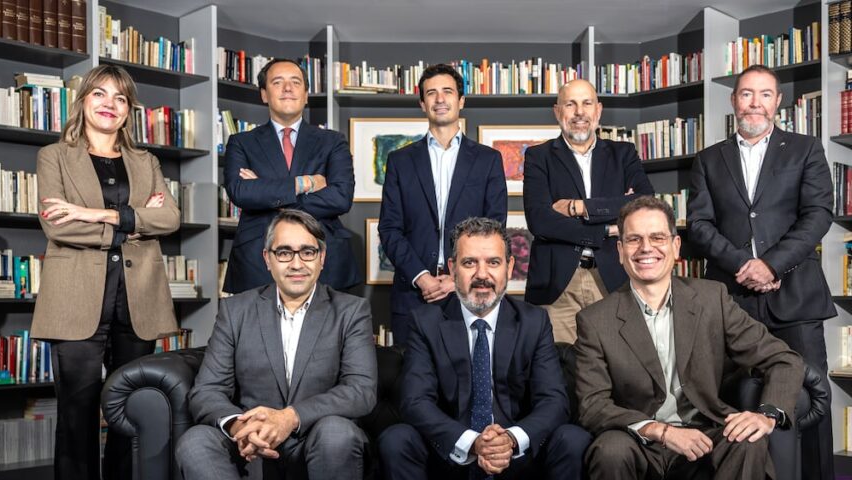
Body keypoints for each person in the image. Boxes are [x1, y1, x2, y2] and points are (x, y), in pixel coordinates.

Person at [575, 196, 803, 480]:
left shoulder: (712, 299)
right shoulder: (596, 320)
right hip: (639, 444)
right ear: (619, 251)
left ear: (676, 246)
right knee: (609, 450)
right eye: (633, 239)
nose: (646, 248)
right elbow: (592, 404)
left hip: (703, 441)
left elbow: (784, 359)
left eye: (657, 237)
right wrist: (660, 431)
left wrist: (768, 415)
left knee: (747, 442)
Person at [175, 209, 376, 480]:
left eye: (307, 251)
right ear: (267, 259)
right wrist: (240, 426)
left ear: (322, 258)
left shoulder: (350, 311)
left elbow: (361, 391)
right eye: (285, 252)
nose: (296, 262)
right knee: (195, 443)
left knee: (340, 432)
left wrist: (290, 417)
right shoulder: (237, 310)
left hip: (319, 453)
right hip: (254, 456)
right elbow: (207, 391)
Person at [379, 217, 590, 480]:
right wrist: (472, 442)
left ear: (510, 268)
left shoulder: (533, 321)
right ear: (452, 268)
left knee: (572, 439)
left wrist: (509, 440)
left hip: (517, 455)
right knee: (396, 439)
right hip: (451, 454)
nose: (482, 275)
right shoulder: (426, 322)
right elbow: (415, 401)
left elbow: (553, 401)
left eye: (493, 262)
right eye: (469, 263)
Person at [685, 65, 852, 480]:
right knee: (729, 400)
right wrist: (745, 266)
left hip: (794, 297)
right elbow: (699, 224)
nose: (754, 103)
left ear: (778, 103)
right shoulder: (709, 159)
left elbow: (818, 214)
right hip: (731, 299)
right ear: (733, 101)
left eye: (764, 94)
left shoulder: (805, 149)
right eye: (745, 94)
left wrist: (772, 264)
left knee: (810, 403)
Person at [33, 64, 180, 480]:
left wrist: (96, 214)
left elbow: (170, 219)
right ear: (83, 101)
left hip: (137, 301)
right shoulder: (55, 156)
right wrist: (135, 220)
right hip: (75, 302)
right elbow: (56, 225)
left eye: (119, 98)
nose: (108, 104)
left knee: (130, 418)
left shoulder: (145, 160)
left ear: (128, 110)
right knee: (77, 421)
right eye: (99, 94)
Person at [378, 63, 507, 345]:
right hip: (413, 293)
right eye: (431, 93)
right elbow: (389, 229)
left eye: (447, 91)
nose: (439, 99)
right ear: (422, 104)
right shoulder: (400, 161)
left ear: (461, 101)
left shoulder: (488, 160)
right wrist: (422, 276)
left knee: (467, 370)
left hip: (469, 291)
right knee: (411, 371)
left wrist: (456, 278)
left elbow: (494, 229)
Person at [522, 78, 654, 344]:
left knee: (616, 362)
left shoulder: (623, 154)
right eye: (570, 104)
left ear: (598, 110)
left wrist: (579, 207)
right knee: (558, 364)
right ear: (557, 111)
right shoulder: (538, 156)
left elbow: (644, 202)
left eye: (587, 103)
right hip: (558, 286)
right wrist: (606, 229)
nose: (579, 112)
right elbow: (540, 220)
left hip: (613, 279)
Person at [222, 58, 359, 294]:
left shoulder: (333, 141)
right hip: (257, 259)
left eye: (295, 82)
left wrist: (265, 190)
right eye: (277, 82)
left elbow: (340, 197)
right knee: (258, 320)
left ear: (305, 95)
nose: (287, 88)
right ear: (264, 94)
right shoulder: (241, 142)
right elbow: (241, 192)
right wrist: (304, 183)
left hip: (324, 255)